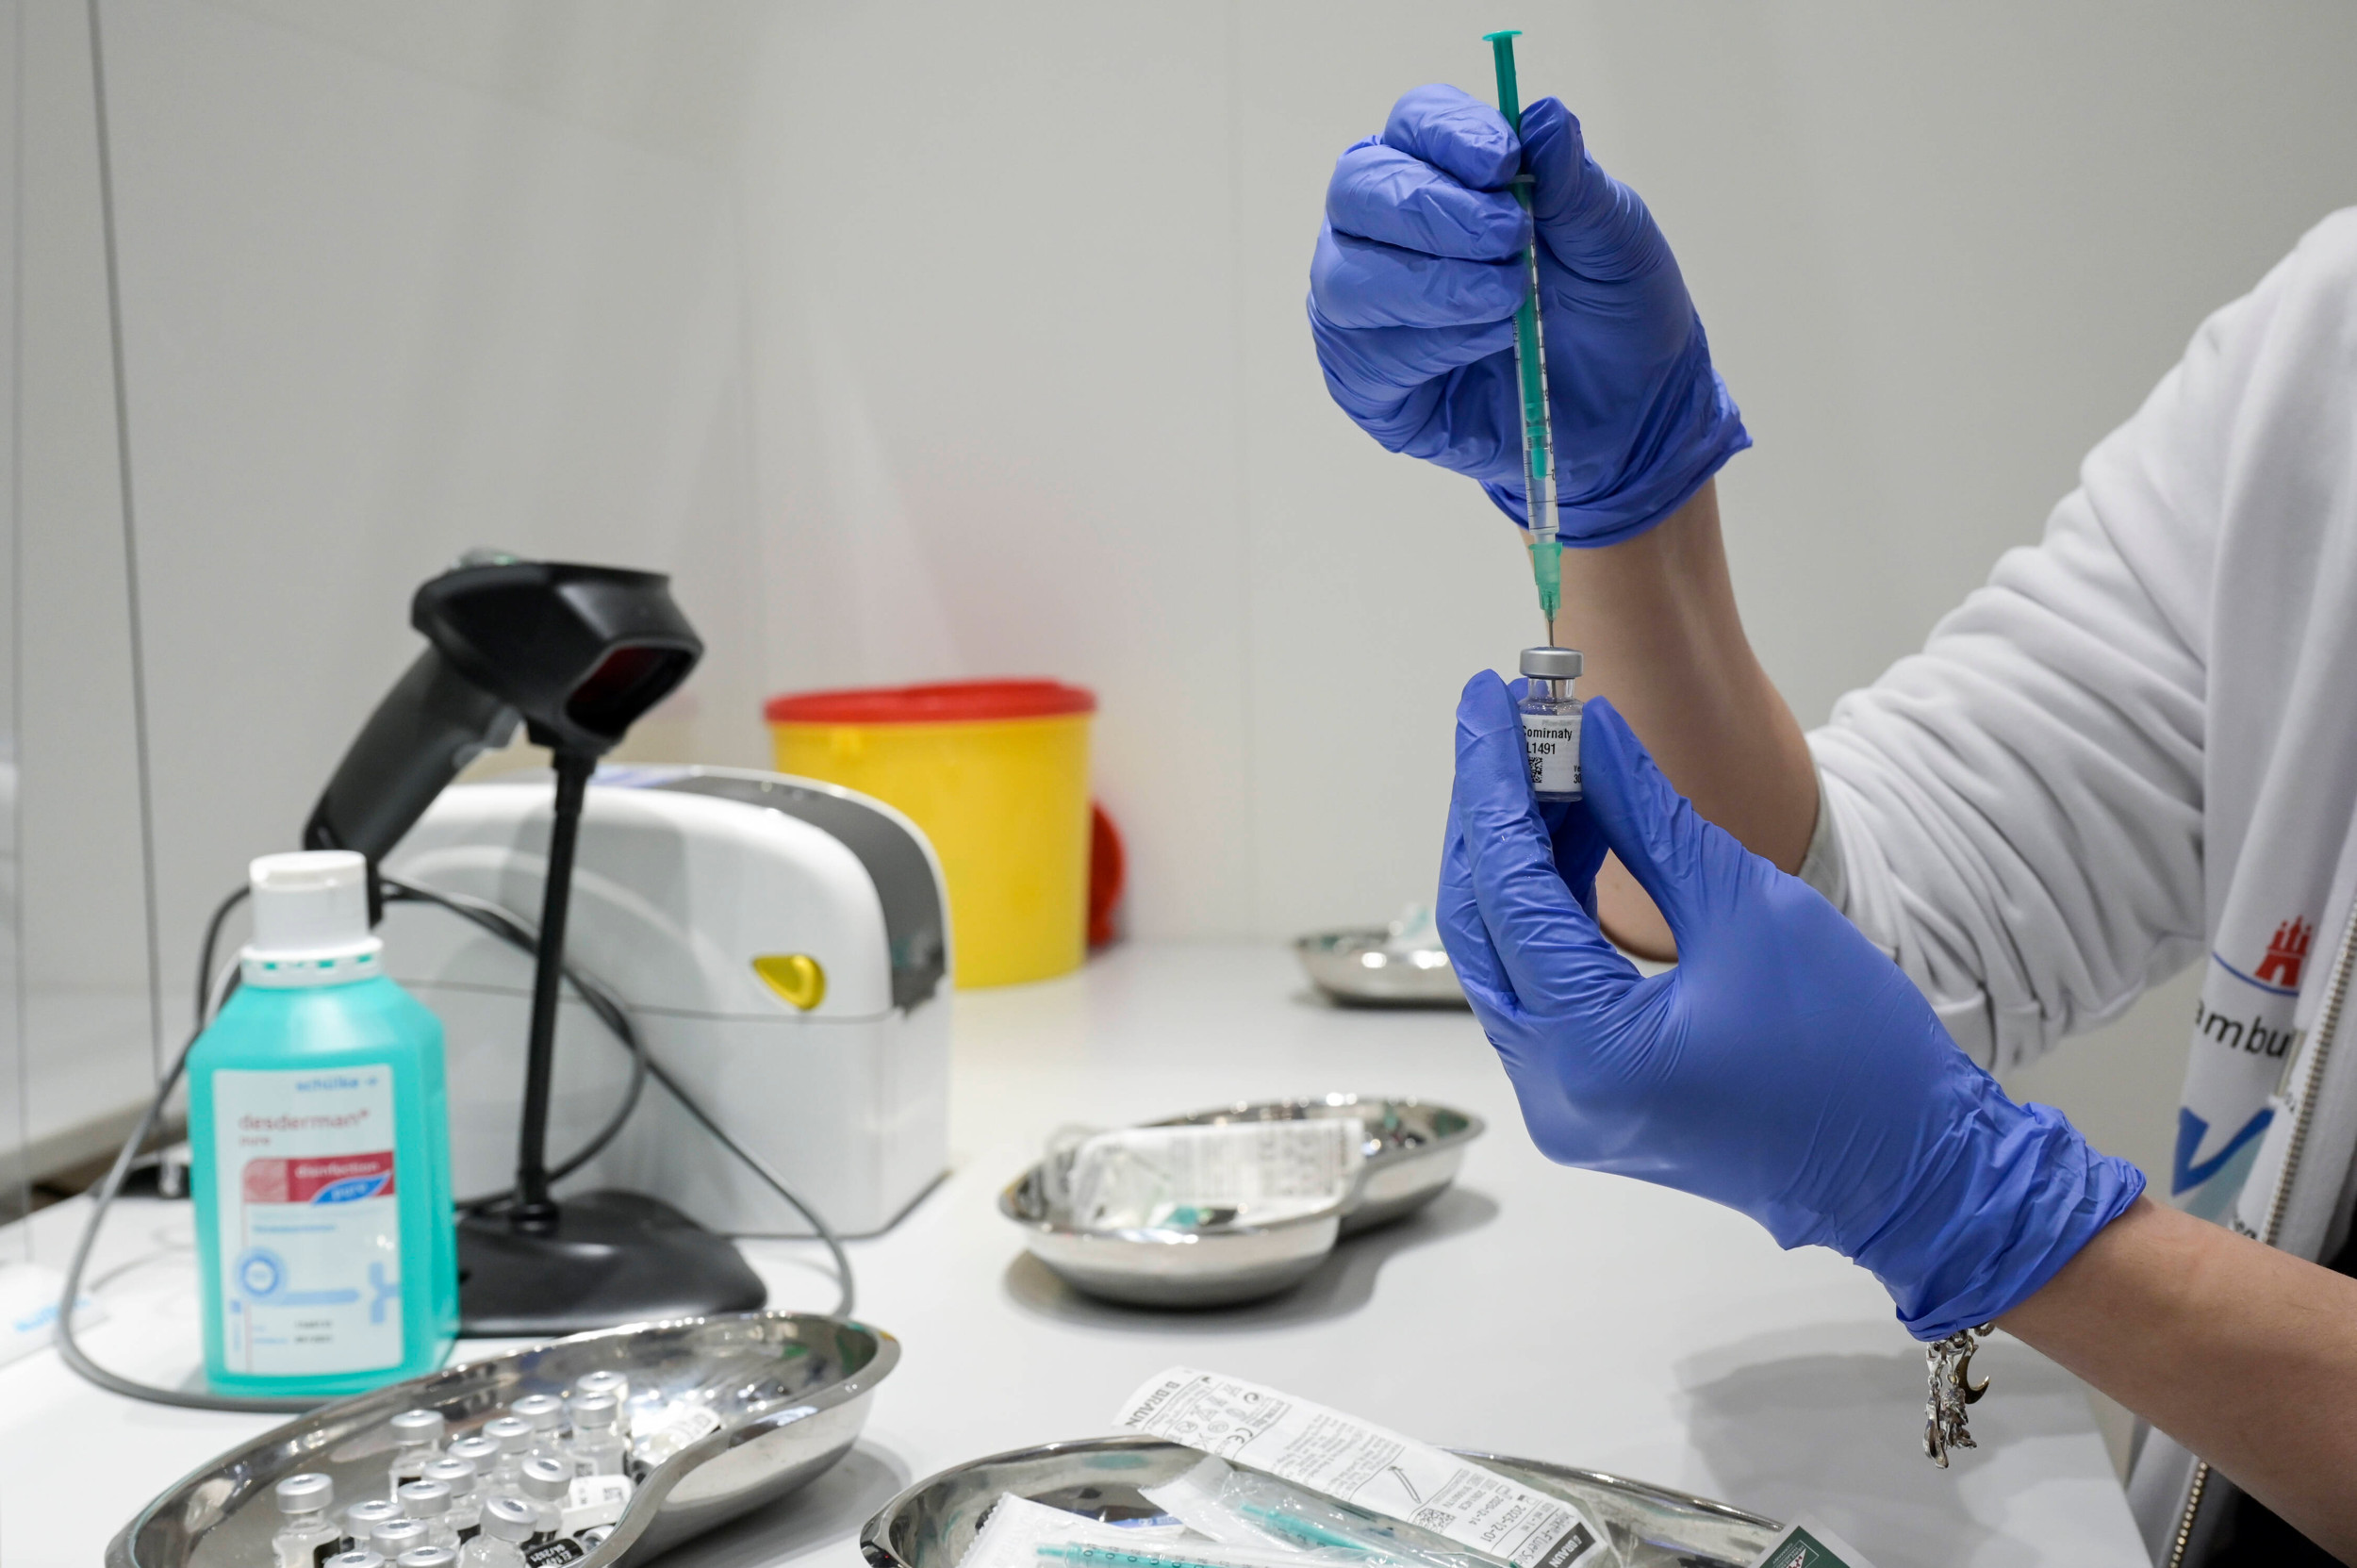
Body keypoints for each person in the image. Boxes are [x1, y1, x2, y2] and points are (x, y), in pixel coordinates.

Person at [1310, 83, 2357, 1564]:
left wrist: (2002, 1220)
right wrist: (1624, 515)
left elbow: (1878, 1059)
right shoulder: (2328, 355)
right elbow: (1904, 913)